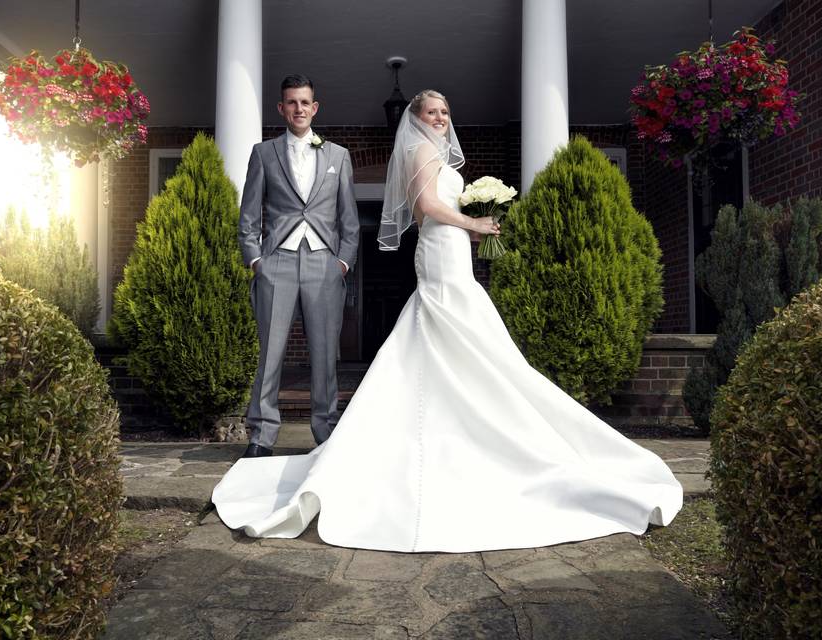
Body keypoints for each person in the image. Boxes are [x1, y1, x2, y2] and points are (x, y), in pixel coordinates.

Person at [213, 90, 683, 552]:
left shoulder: (405, 154)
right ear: (415, 118)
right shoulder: (413, 148)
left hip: (438, 254)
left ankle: (454, 430)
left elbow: (358, 216)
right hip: (421, 255)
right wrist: (473, 223)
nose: (440, 118)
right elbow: (428, 209)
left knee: (459, 342)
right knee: (294, 352)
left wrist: (469, 224)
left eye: (445, 112)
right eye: (432, 112)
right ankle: (264, 435)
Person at [237, 74, 360, 458]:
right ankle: (261, 436)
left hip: (324, 263)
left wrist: (343, 261)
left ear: (315, 107)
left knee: (325, 354)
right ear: (281, 108)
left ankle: (325, 432)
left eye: (305, 102)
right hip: (278, 262)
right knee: (270, 352)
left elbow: (348, 219)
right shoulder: (264, 153)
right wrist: (256, 260)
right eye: (291, 102)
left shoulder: (338, 156)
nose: (299, 109)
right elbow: (249, 213)